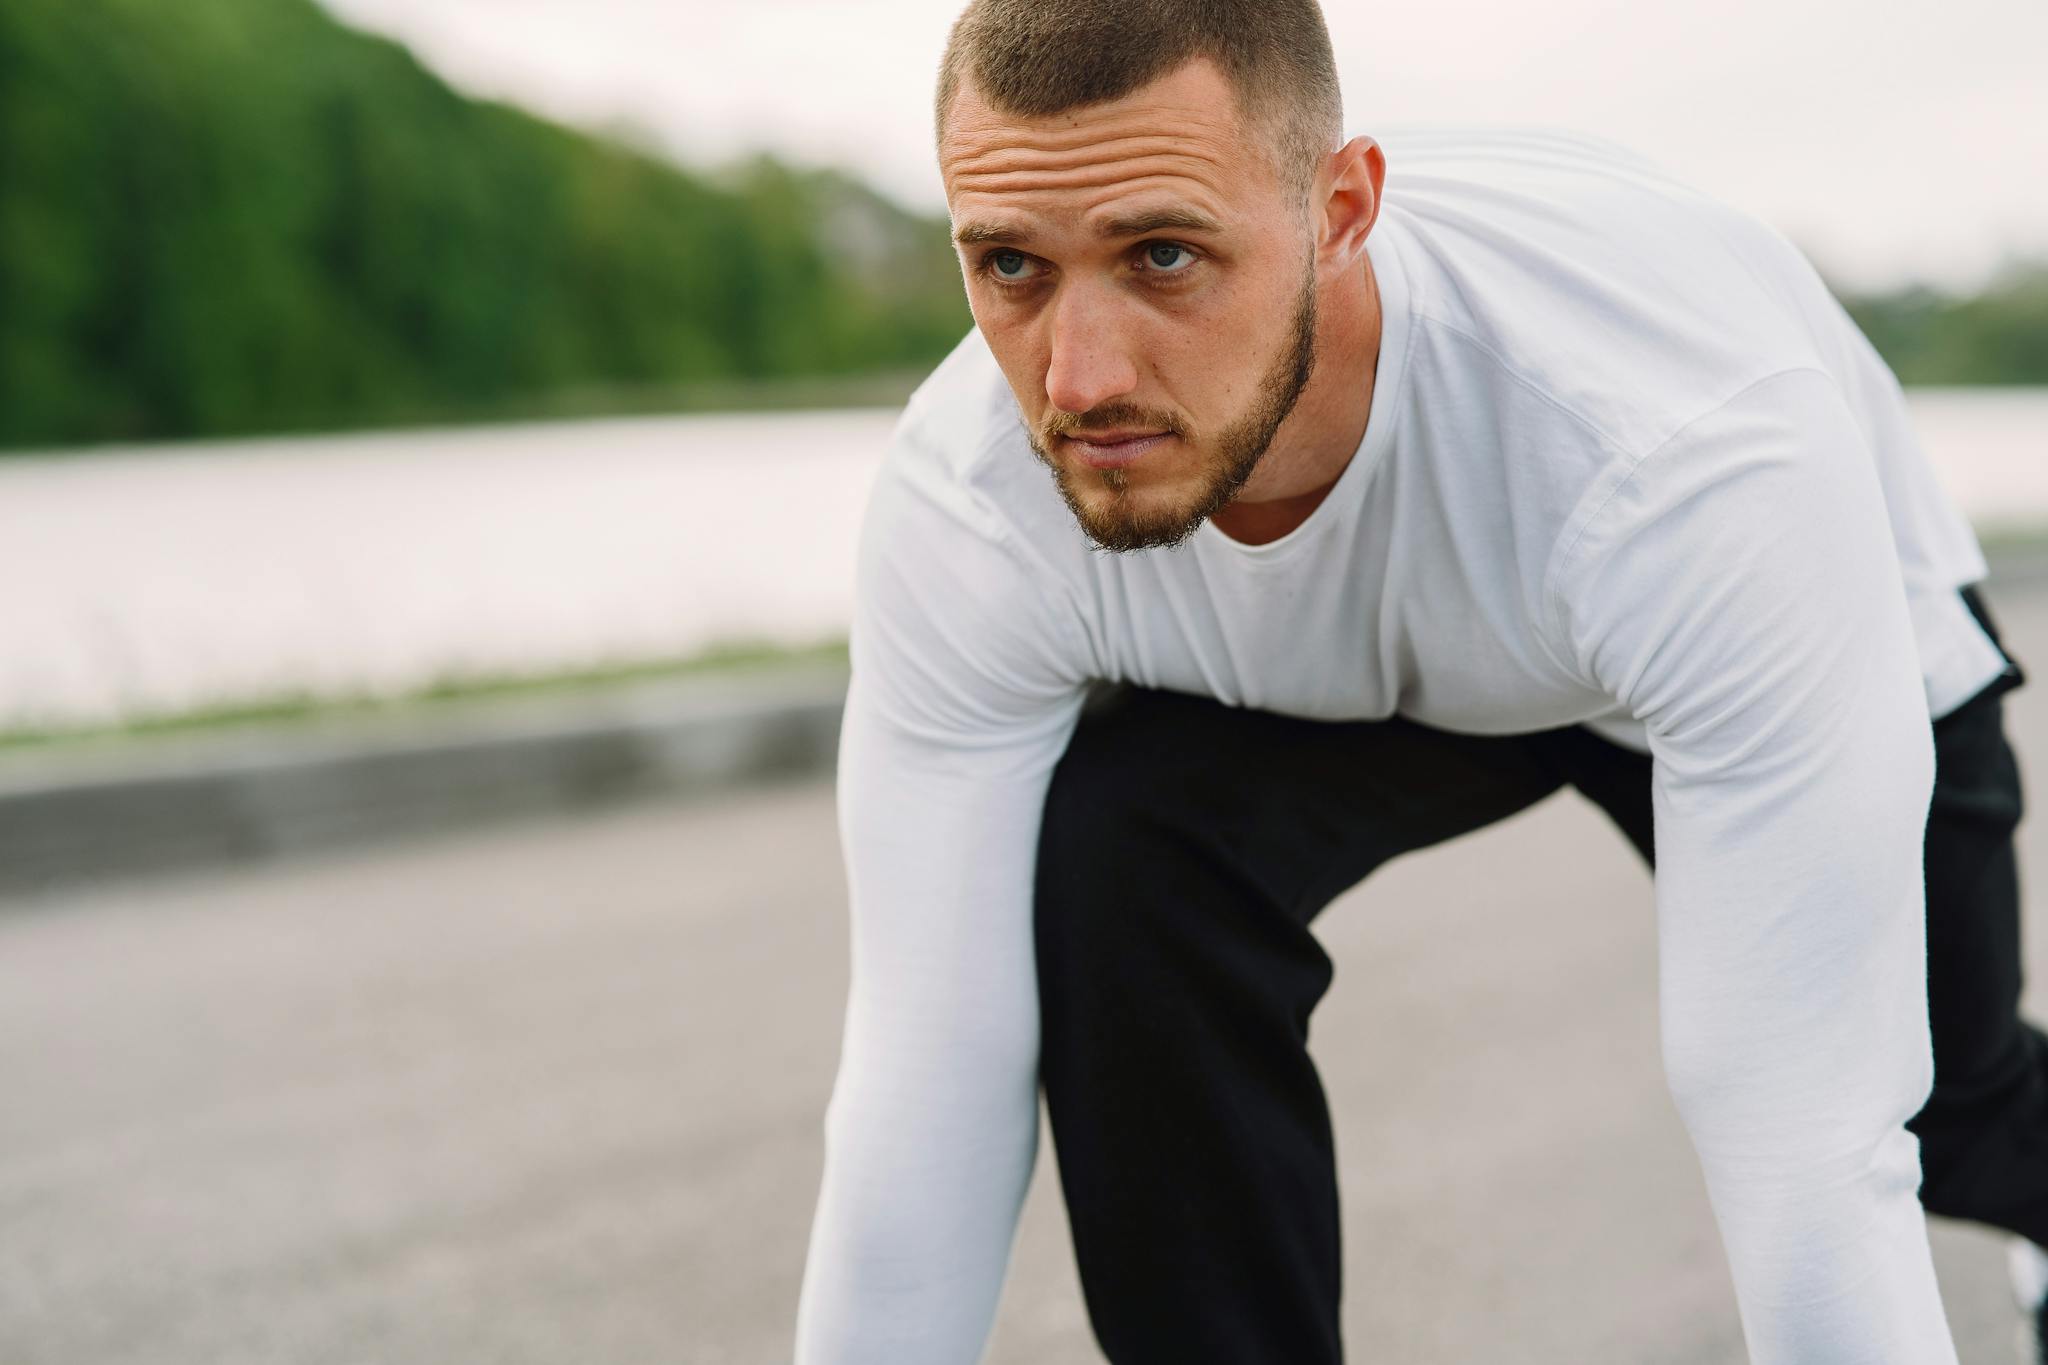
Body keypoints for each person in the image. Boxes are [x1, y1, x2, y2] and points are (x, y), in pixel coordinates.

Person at [793, 1, 2048, 1360]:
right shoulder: (975, 506)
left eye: (1163, 254)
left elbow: (1807, 1145)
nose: (1078, 378)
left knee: (1939, 1107)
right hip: (1405, 663)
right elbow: (924, 1079)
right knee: (1125, 861)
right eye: (1010, 266)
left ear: (1340, 211)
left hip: (1716, 612)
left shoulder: (1681, 456)